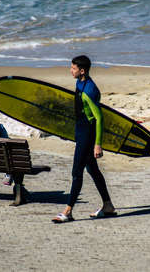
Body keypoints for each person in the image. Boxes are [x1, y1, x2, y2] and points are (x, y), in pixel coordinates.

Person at [52, 55, 116, 223]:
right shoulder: (80, 82)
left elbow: (99, 118)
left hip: (87, 134)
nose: (70, 71)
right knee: (93, 170)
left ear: (82, 71)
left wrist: (98, 144)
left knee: (76, 172)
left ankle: (68, 211)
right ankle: (108, 205)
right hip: (81, 131)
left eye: (73, 68)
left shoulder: (89, 90)